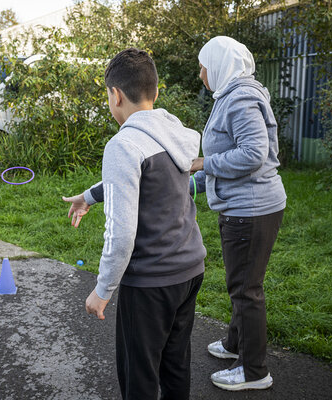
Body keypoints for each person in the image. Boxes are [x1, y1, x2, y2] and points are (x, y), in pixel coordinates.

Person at [62, 48, 206, 400]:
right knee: (175, 365)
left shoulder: (123, 145)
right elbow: (148, 184)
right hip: (190, 270)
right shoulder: (175, 134)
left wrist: (103, 288)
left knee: (138, 375)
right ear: (155, 93)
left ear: (116, 95)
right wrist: (89, 196)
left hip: (151, 282)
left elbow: (122, 232)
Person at [190, 36, 286, 391]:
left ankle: (254, 371)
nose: (201, 73)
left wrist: (204, 162)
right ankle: (235, 346)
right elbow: (231, 154)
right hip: (248, 205)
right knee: (241, 283)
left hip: (251, 209)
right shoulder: (232, 95)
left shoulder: (241, 97)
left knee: (246, 289)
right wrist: (193, 182)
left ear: (218, 65)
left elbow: (252, 154)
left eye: (203, 65)